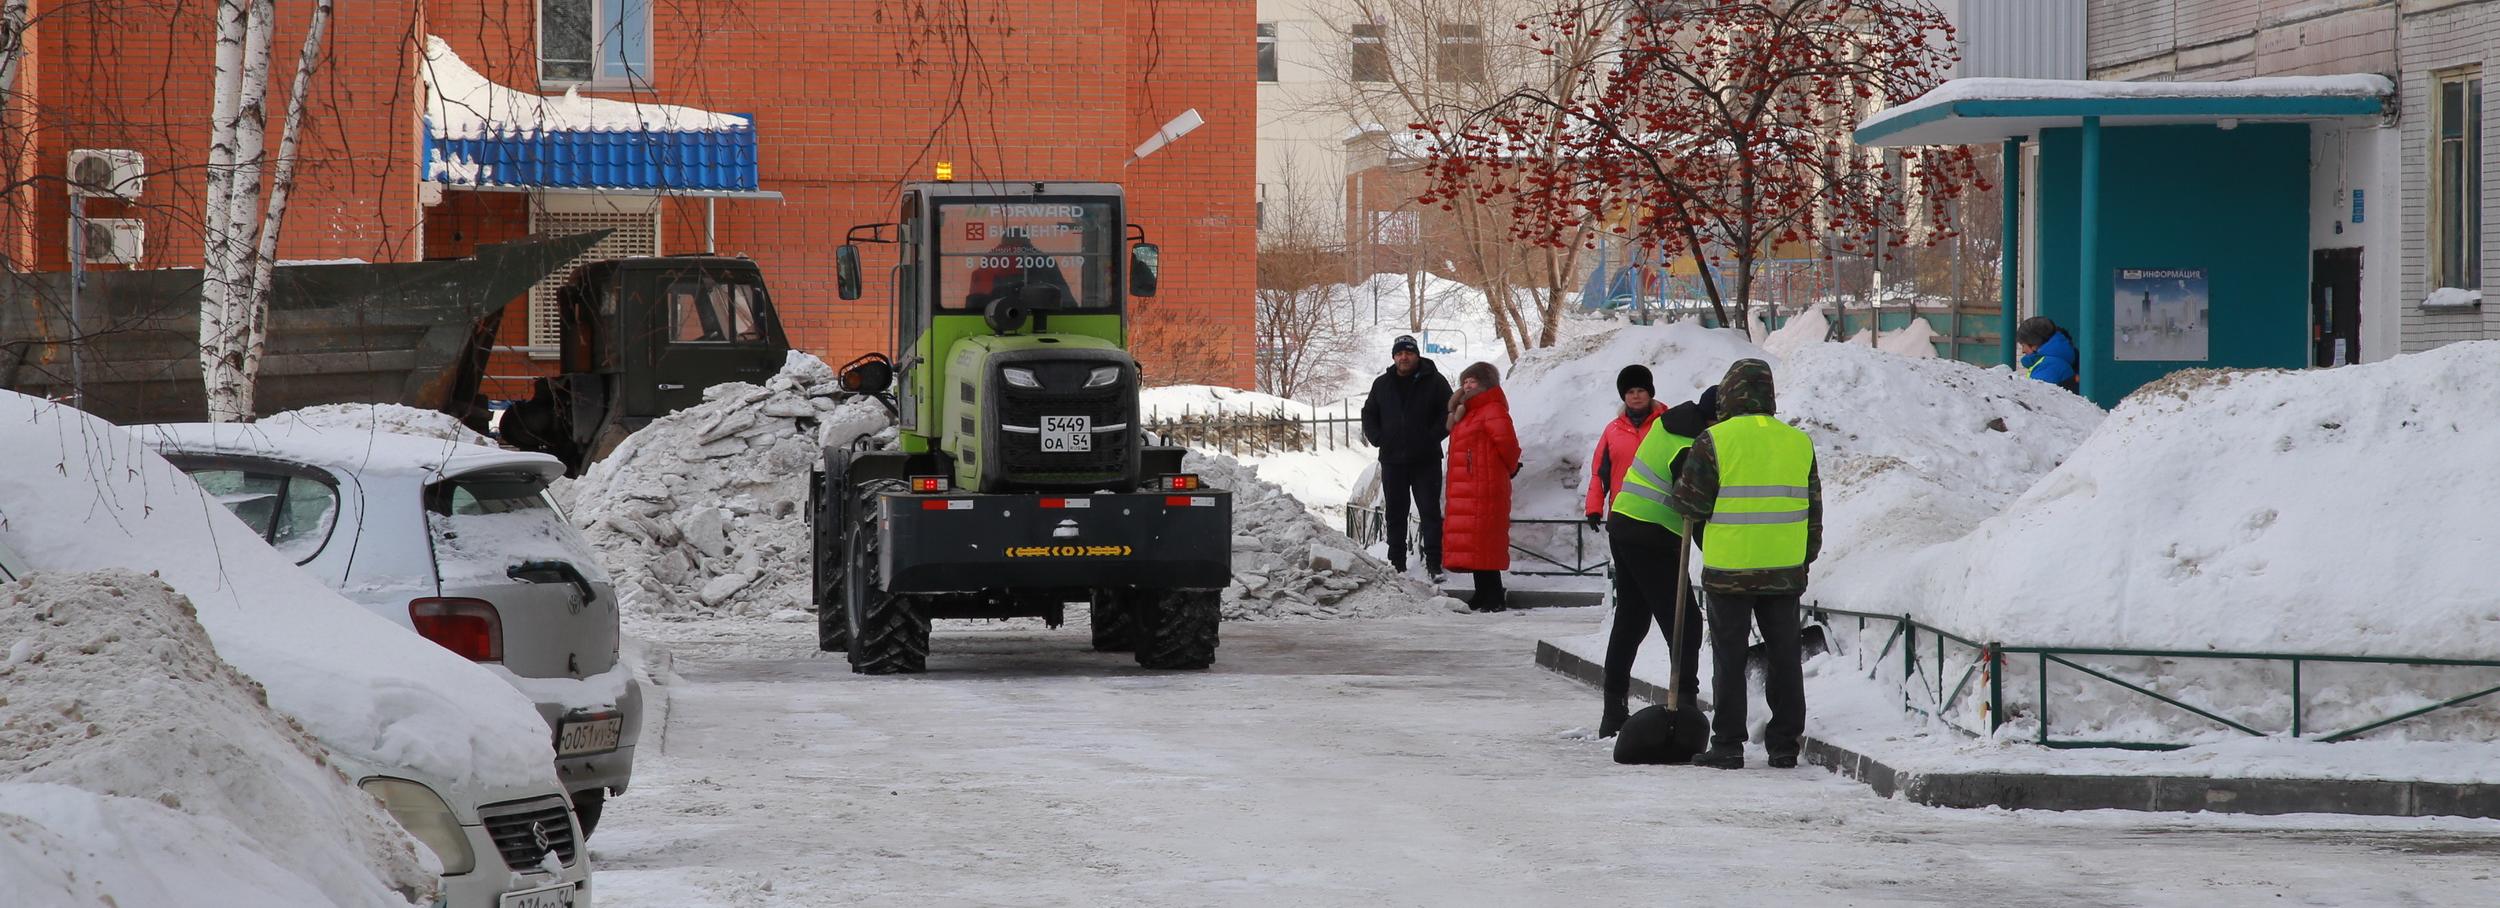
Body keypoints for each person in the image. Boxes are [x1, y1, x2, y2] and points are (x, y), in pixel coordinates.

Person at [1670, 358, 1822, 770]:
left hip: (1729, 570)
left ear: (1728, 394)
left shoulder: (1714, 440)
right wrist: (1804, 557)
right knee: (1785, 657)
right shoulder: (1798, 441)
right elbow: (1813, 509)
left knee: (1729, 658)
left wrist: (1678, 479)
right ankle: (1785, 745)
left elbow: (1691, 504)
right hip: (1784, 570)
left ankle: (1728, 744)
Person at [1593, 378, 1718, 738]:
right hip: (1651, 535)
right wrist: (1715, 548)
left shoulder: (1672, 423)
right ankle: (1685, 711)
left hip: (1626, 524)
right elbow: (1691, 502)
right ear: (1713, 419)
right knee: (1685, 623)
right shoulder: (1689, 444)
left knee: (1632, 619)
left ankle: (1613, 712)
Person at [1361, 335, 1453, 581]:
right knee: (1395, 514)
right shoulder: (1382, 384)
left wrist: (1430, 437)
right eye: (1400, 353)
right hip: (1392, 460)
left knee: (1429, 512)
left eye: (1409, 352)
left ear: (1417, 355)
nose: (1404, 357)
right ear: (1394, 356)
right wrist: (1377, 437)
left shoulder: (1435, 381)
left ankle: (1434, 563)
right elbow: (1369, 412)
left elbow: (1449, 411)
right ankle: (1397, 564)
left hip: (1426, 459)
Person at [1442, 361, 1520, 612]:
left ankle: (1494, 596)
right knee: (1476, 544)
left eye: (1473, 381)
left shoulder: (1491, 409)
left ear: (1486, 384)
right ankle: (1482, 593)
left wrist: (1509, 468)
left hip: (1485, 486)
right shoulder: (1467, 411)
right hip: (1469, 486)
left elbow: (1507, 443)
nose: (1467, 385)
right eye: (1465, 381)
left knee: (1486, 541)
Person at [2015, 316, 2080, 394]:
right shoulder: (2054, 361)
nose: (2023, 351)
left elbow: (2034, 398)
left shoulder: (2050, 365)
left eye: (2023, 345)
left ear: (2034, 344)